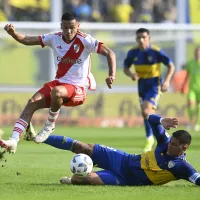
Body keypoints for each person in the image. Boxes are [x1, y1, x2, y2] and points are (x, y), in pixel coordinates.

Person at [0, 11, 116, 154]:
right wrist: (13, 34)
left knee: (57, 91)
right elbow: (28, 40)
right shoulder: (54, 38)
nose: (68, 31)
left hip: (78, 88)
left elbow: (110, 53)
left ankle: (49, 125)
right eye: (65, 27)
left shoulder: (86, 40)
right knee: (32, 102)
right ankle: (13, 140)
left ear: (78, 26)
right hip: (60, 84)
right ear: (61, 26)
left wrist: (111, 75)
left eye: (72, 27)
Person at [23, 114, 200, 186]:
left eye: (175, 145)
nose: (170, 145)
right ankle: (37, 137)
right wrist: (162, 121)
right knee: (84, 147)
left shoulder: (182, 168)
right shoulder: (164, 141)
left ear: (184, 148)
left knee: (83, 179)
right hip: (123, 160)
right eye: (172, 142)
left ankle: (73, 180)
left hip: (125, 179)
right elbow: (150, 119)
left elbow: (197, 179)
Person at [123, 28, 175, 152]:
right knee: (145, 114)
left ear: (149, 38)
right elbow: (126, 68)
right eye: (139, 38)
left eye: (143, 37)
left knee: (147, 111)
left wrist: (167, 81)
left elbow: (170, 65)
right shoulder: (133, 53)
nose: (141, 40)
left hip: (154, 85)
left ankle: (158, 138)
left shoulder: (156, 51)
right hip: (141, 86)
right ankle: (151, 138)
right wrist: (131, 75)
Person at [181, 46, 200, 132]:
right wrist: (183, 85)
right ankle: (190, 122)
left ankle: (197, 124)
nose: (197, 53)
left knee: (199, 107)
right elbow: (187, 75)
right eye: (196, 51)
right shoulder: (190, 63)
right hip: (192, 88)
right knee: (190, 105)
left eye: (199, 52)